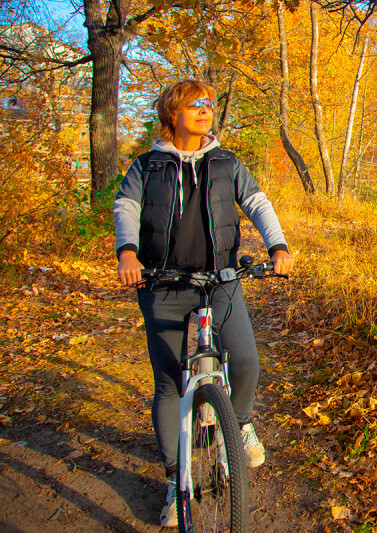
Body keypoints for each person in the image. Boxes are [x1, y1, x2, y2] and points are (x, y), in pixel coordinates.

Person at [114, 79, 293, 527]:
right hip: (162, 284)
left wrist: (278, 246)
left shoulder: (226, 162)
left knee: (247, 360)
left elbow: (258, 204)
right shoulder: (147, 166)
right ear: (171, 113)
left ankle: (242, 422)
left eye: (210, 104)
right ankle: (176, 483)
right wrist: (128, 253)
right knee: (170, 382)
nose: (205, 109)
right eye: (194, 104)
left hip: (222, 281)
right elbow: (126, 209)